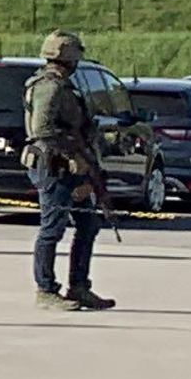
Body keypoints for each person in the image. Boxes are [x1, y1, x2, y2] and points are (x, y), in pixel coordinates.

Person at [23, 30, 117, 313]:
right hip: (53, 166)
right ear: (69, 58)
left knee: (88, 224)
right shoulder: (48, 87)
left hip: (73, 166)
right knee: (52, 228)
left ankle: (79, 286)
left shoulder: (63, 85)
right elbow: (42, 130)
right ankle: (46, 290)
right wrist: (71, 154)